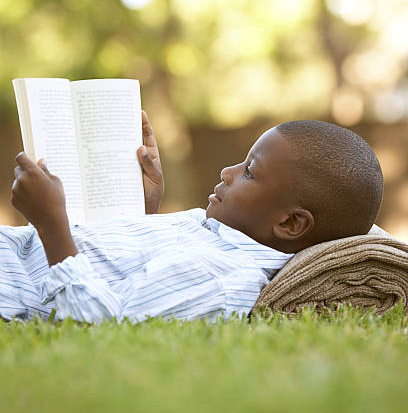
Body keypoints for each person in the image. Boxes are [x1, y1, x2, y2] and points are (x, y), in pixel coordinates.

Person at [3, 113, 383, 324]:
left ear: (290, 224)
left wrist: (51, 222)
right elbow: (130, 270)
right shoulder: (222, 232)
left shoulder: (223, 279)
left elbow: (98, 323)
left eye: (250, 171)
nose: (227, 171)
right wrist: (143, 210)